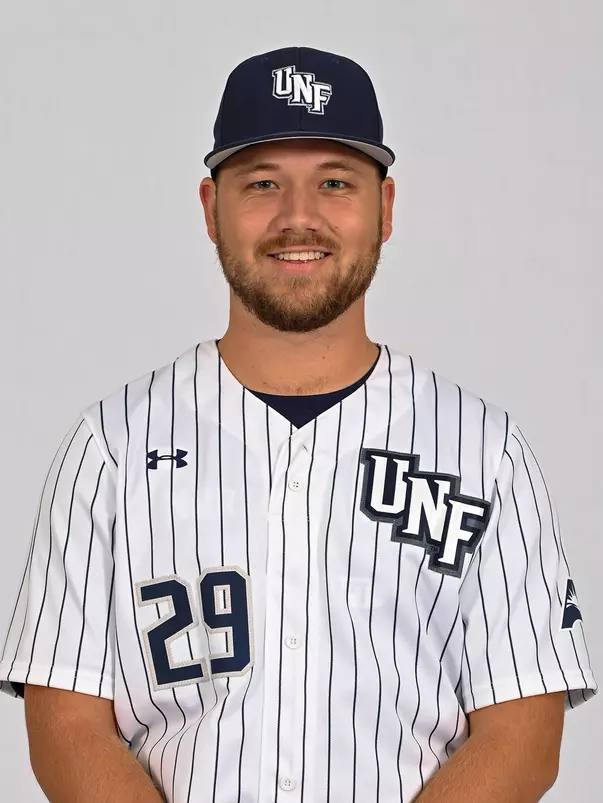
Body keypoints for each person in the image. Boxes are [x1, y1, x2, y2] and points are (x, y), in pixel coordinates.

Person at [0, 45, 597, 803]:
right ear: (211, 209)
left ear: (385, 209)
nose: (298, 218)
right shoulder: (112, 447)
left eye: (335, 182)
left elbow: (523, 735)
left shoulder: (485, 452)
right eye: (262, 183)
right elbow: (66, 726)